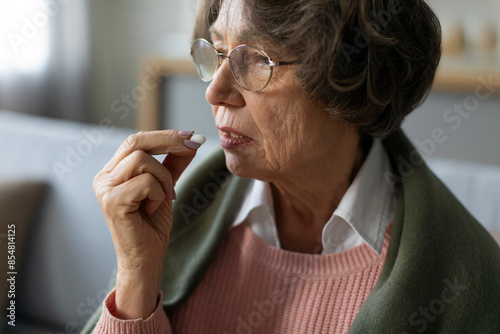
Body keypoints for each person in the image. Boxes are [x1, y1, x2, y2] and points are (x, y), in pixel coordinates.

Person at [83, 0, 500, 333]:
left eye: (256, 59)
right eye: (219, 51)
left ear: (352, 76)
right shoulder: (185, 208)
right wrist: (137, 275)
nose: (215, 91)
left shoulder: (468, 282)